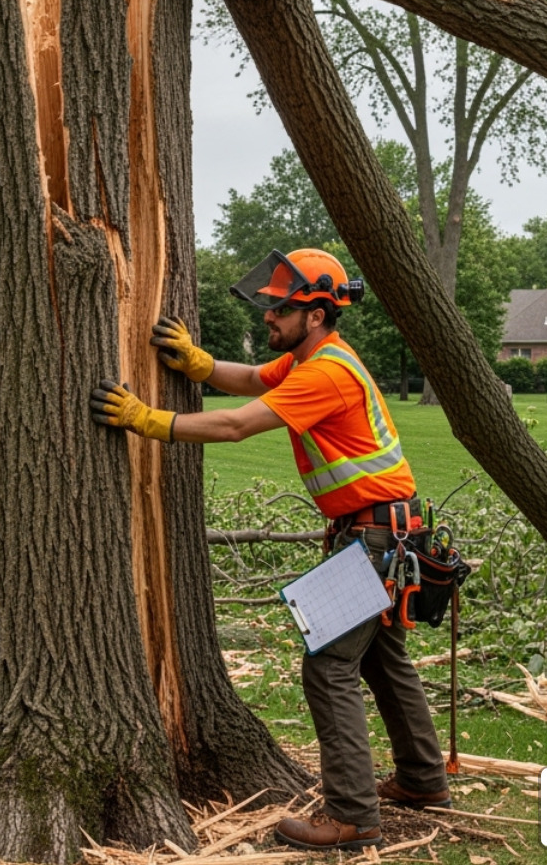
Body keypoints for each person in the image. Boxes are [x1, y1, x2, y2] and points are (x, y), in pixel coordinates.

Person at [89, 248, 450, 852]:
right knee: (382, 661)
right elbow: (254, 380)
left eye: (281, 309)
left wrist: (148, 420)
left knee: (329, 665)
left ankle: (353, 816)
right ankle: (422, 779)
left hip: (375, 537)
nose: (268, 318)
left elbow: (236, 423)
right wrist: (203, 367)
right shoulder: (310, 360)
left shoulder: (326, 373)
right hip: (381, 531)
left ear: (315, 314)